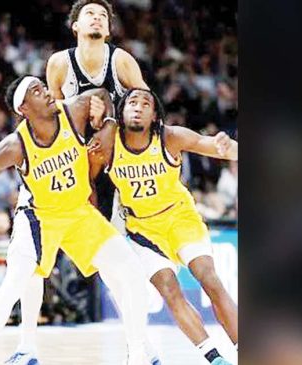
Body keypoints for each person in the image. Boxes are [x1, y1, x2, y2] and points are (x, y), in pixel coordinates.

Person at [7, 1, 155, 364]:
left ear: (109, 28)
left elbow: (148, 102)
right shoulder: (59, 64)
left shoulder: (120, 61)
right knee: (32, 257)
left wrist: (110, 125)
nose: (96, 17)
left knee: (121, 264)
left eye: (103, 15)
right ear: (74, 26)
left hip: (114, 166)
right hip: (70, 169)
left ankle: (140, 347)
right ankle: (27, 345)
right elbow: (51, 119)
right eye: (89, 13)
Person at [0, 75, 151, 365]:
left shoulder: (73, 110)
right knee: (18, 279)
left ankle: (139, 354)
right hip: (39, 215)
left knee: (129, 268)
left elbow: (102, 93)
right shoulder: (15, 145)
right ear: (23, 109)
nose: (45, 91)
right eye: (36, 91)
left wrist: (108, 126)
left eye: (43, 86)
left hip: (78, 212)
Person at [90, 88, 239, 365]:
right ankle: (214, 358)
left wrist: (227, 147)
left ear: (155, 115)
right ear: (120, 113)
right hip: (142, 228)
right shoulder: (108, 145)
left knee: (209, 278)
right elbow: (87, 183)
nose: (138, 107)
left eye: (145, 103)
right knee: (169, 289)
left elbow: (215, 147)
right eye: (131, 102)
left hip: (180, 217)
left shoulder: (171, 137)